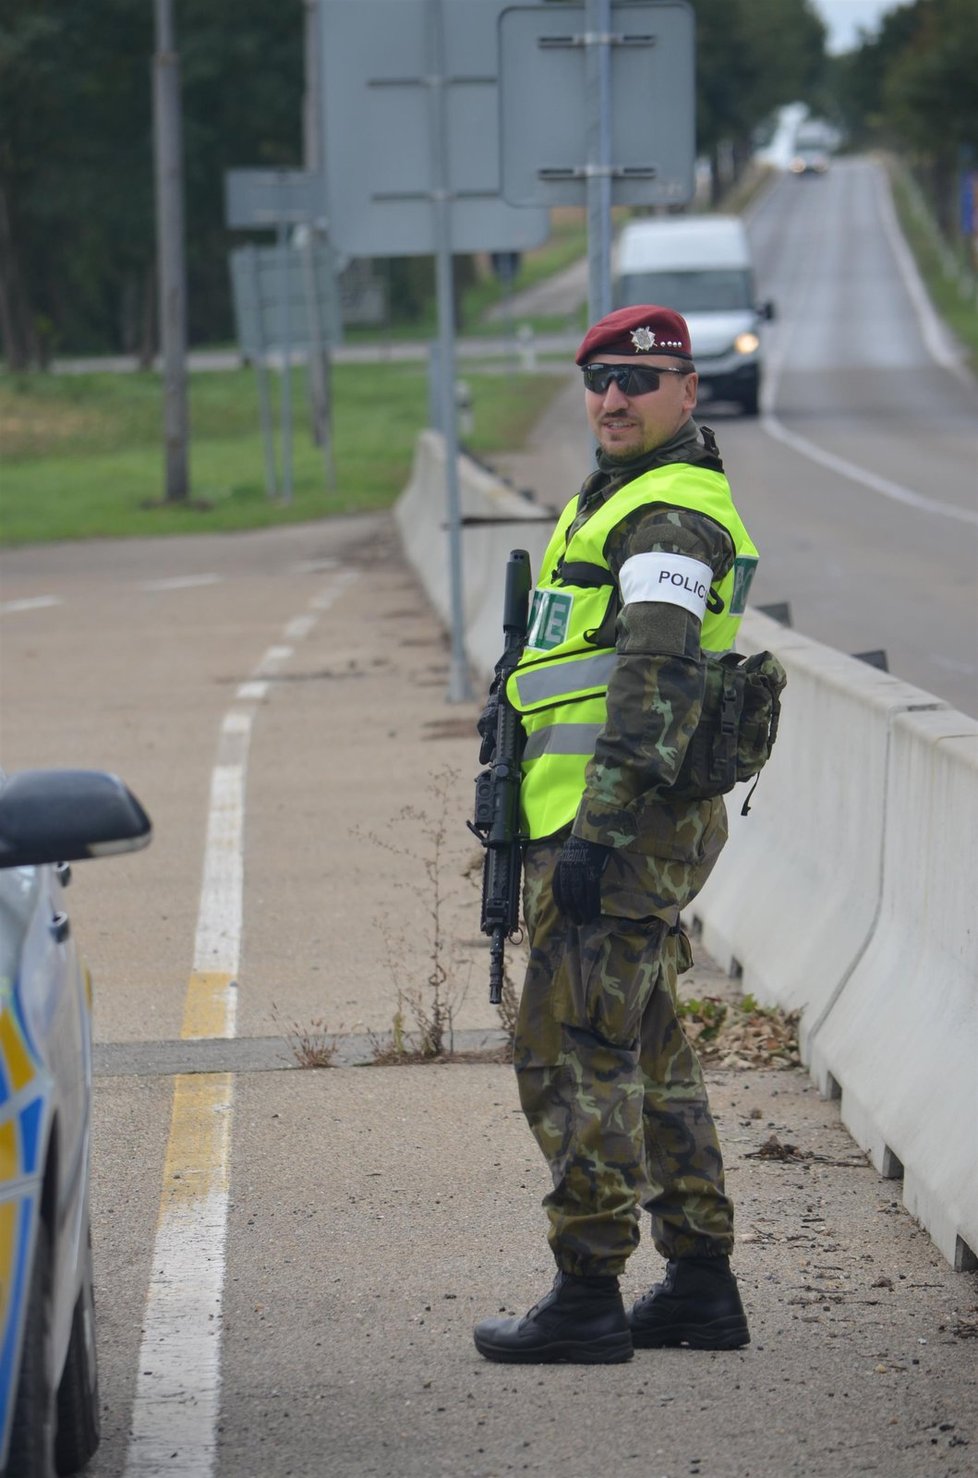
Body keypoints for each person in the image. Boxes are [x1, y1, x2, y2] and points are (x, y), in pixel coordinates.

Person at [473, 304, 758, 1365]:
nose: (612, 398)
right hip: (600, 822)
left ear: (689, 390)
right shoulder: (617, 498)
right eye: (598, 378)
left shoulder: (671, 514)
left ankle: (588, 1290)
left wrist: (595, 833)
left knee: (570, 1048)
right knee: (645, 1047)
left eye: (639, 379)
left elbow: (656, 679)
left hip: (620, 829)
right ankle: (698, 1281)